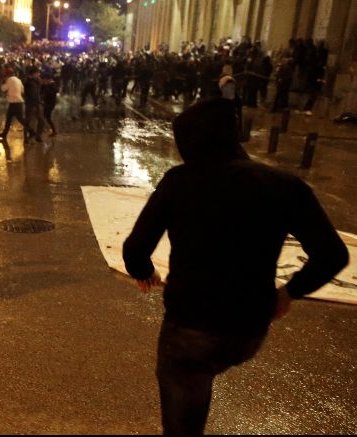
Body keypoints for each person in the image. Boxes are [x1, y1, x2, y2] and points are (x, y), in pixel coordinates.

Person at [122, 97, 349, 435]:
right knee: (208, 365)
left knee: (186, 398)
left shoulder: (179, 181)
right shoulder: (285, 185)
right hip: (249, 329)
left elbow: (135, 250)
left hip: (190, 328)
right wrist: (289, 292)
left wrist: (144, 272)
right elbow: (332, 254)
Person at [0, 68, 38, 143]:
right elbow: (22, 90)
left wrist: (0, 83)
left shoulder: (9, 80)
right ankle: (4, 133)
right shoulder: (18, 80)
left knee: (20, 120)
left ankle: (32, 132)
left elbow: (3, 89)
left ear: (7, 75)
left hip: (15, 103)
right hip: (18, 102)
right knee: (10, 118)